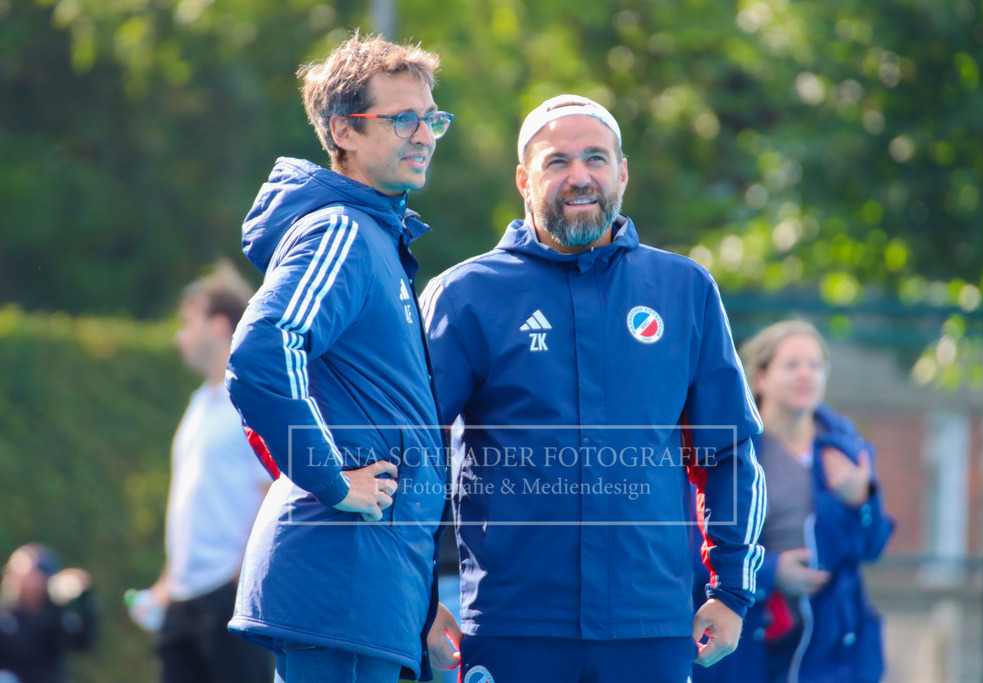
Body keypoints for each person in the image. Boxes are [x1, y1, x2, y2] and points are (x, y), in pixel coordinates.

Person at [420, 94, 766, 683]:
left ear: (622, 173)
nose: (580, 177)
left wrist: (731, 590)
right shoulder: (464, 296)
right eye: (557, 162)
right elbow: (412, 455)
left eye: (596, 159)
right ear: (524, 180)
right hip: (510, 625)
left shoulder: (684, 289)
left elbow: (728, 451)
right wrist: (420, 602)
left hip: (649, 626)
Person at [224, 32, 456, 683]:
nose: (425, 133)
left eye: (432, 117)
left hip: (370, 597)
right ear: (343, 131)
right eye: (402, 117)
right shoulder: (342, 229)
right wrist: (329, 477)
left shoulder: (374, 233)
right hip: (342, 589)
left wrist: (420, 608)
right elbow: (264, 352)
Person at [692, 320, 893, 683]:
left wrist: (861, 499)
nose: (806, 374)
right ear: (760, 377)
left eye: (815, 365)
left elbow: (873, 546)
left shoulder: (847, 449)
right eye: (792, 364)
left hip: (831, 646)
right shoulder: (730, 450)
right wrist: (771, 572)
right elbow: (695, 544)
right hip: (748, 639)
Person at [139, 261, 274, 683]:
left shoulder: (250, 399)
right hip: (182, 599)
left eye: (187, 322)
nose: (180, 336)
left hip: (229, 596)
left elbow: (271, 488)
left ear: (218, 325)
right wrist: (166, 581)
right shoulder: (199, 403)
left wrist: (242, 573)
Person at [0, 543, 97, 683]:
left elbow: (83, 643)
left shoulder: (55, 618)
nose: (13, 579)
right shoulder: (4, 614)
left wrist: (81, 600)